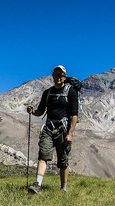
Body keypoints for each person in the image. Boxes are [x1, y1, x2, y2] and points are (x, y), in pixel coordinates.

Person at [27, 65, 80, 193]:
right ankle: (37, 185)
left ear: (64, 77)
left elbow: (74, 115)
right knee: (43, 155)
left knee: (63, 160)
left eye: (60, 75)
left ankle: (63, 188)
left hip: (63, 130)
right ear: (53, 76)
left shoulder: (71, 92)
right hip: (48, 128)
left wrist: (70, 134)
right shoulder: (47, 93)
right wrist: (32, 111)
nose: (58, 78)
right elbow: (40, 111)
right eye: (56, 75)